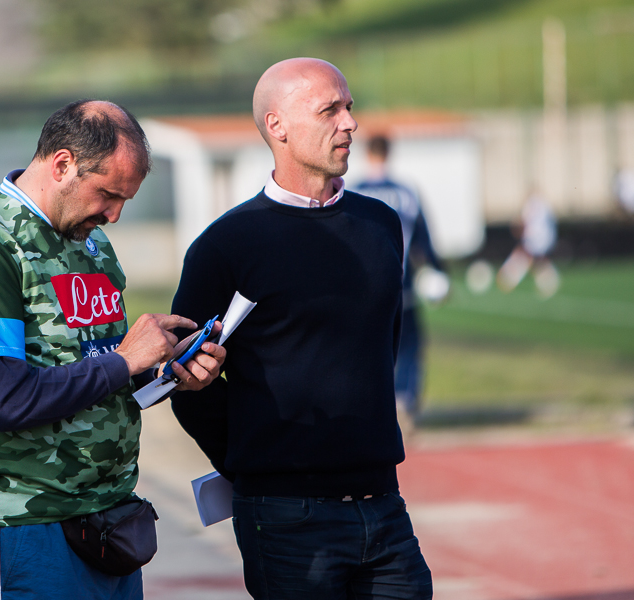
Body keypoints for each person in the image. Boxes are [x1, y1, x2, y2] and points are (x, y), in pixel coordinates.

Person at [0, 100, 225, 600]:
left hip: (109, 519)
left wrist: (167, 371)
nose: (114, 214)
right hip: (24, 524)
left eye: (125, 200)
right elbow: (5, 400)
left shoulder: (91, 244)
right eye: (108, 194)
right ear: (62, 164)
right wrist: (126, 360)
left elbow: (99, 367)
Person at [169, 58, 433, 600]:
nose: (350, 123)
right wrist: (260, 471)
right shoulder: (225, 246)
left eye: (350, 107)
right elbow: (184, 385)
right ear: (277, 126)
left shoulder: (380, 225)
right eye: (330, 110)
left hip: (384, 505)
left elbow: (383, 347)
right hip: (285, 519)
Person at [354, 134, 448, 426]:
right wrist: (439, 271)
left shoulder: (353, 192)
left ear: (367, 153)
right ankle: (404, 401)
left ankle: (369, 409)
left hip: (361, 293)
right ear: (389, 153)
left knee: (366, 350)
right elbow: (423, 239)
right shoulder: (406, 193)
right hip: (402, 288)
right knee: (408, 346)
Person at [496, 188, 559, 298]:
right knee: (536, 260)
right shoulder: (545, 205)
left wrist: (517, 229)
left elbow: (523, 223)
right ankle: (548, 280)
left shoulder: (530, 205)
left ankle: (509, 278)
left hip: (533, 238)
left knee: (524, 256)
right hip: (546, 238)